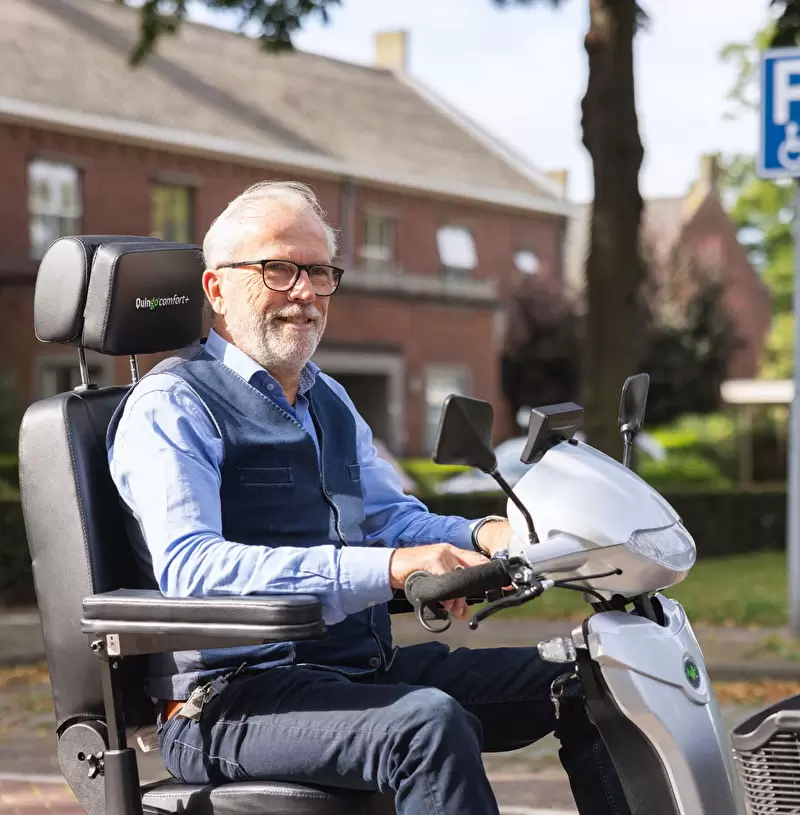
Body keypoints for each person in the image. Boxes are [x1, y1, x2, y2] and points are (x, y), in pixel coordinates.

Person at [107, 181, 631, 815]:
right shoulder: (173, 404)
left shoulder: (328, 398)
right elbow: (194, 570)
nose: (304, 291)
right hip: (227, 699)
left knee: (592, 679)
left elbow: (390, 518)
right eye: (278, 269)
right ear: (217, 291)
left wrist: (491, 536)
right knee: (426, 726)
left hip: (358, 671)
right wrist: (388, 569)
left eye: (320, 272)